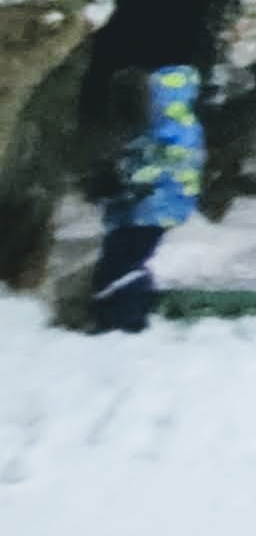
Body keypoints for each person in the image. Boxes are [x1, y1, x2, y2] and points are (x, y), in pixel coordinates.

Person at [80, 61, 205, 333]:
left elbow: (170, 166)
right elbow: (137, 157)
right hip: (139, 206)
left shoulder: (176, 128)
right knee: (117, 258)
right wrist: (113, 176)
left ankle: (126, 319)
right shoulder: (149, 124)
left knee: (123, 261)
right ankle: (116, 314)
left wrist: (126, 180)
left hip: (159, 206)